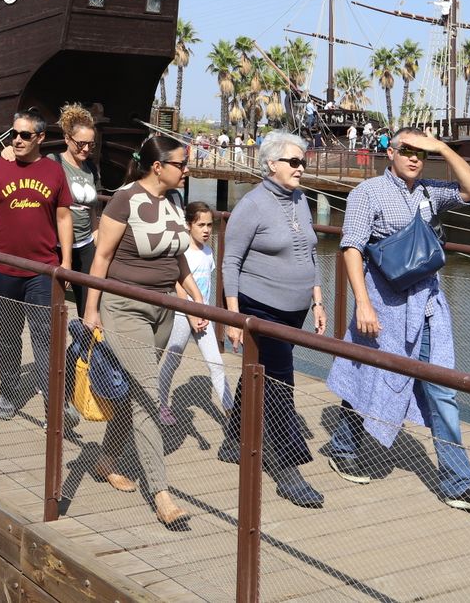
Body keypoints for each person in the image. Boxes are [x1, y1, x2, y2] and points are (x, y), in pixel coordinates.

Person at [325, 127, 470, 511]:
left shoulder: (429, 192)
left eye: (421, 153)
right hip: (384, 307)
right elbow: (351, 248)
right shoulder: (367, 192)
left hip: (428, 309)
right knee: (369, 375)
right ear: (390, 152)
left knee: (442, 388)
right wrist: (363, 304)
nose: (414, 158)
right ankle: (343, 444)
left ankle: (458, 482)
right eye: (406, 150)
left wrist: (441, 147)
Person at [81, 133, 199, 528]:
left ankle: (107, 459)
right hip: (125, 306)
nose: (187, 170)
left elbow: (178, 256)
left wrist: (196, 300)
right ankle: (162, 493)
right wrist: (92, 308)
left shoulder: (175, 201)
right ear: (158, 166)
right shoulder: (125, 199)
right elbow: (102, 255)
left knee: (135, 390)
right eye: (181, 164)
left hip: (164, 307)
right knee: (150, 394)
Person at [218, 130, 328, 509]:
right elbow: (230, 261)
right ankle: (288, 466)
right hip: (259, 306)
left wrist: (317, 299)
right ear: (271, 165)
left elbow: (310, 251)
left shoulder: (300, 200)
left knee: (260, 374)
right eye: (294, 162)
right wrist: (232, 316)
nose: (301, 168)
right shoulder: (252, 205)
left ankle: (233, 441)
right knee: (281, 381)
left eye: (303, 162)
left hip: (294, 308)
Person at [0, 111, 74, 424]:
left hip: (42, 270)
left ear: (40, 137)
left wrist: (66, 261)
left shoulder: (54, 172)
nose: (17, 140)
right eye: (14, 134)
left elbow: (64, 216)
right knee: (9, 334)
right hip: (2, 269)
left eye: (25, 135)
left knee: (45, 335)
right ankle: (9, 392)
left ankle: (53, 403)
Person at [157, 201, 233, 423]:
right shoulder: (182, 252)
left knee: (216, 364)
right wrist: (190, 313)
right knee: (172, 360)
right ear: (189, 225)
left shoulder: (208, 252)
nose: (207, 230)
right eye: (201, 225)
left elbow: (206, 286)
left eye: (210, 225)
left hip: (204, 317)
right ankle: (161, 405)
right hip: (182, 315)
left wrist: (204, 314)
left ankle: (230, 413)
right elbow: (178, 286)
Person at [56, 103, 102, 314]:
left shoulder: (90, 168)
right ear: (67, 138)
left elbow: (92, 209)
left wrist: (96, 238)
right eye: (81, 144)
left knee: (90, 305)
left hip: (85, 244)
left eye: (90, 145)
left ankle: (82, 346)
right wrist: (10, 152)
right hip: (56, 246)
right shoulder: (54, 163)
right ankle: (53, 347)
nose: (85, 149)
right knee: (53, 305)